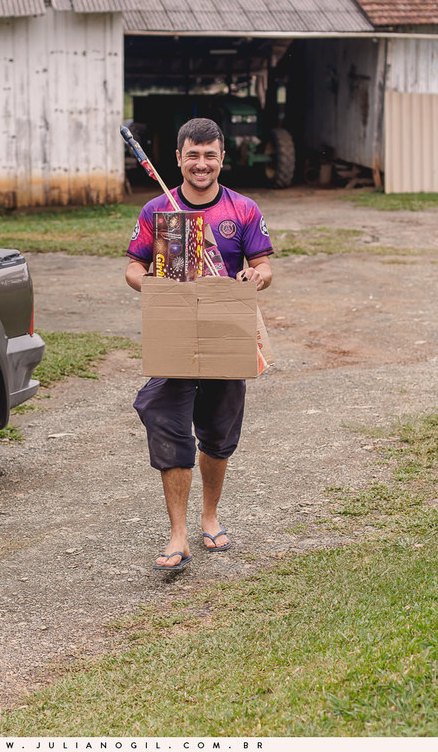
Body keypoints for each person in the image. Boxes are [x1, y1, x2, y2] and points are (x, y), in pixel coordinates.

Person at [124, 117, 274, 571]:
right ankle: (178, 535)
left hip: (226, 334)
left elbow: (264, 266)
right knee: (169, 427)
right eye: (193, 155)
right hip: (175, 334)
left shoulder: (243, 210)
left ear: (222, 158)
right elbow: (133, 268)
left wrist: (253, 276)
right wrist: (152, 281)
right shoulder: (158, 212)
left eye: (210, 155)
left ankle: (209, 515)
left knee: (218, 434)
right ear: (178, 159)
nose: (201, 164)